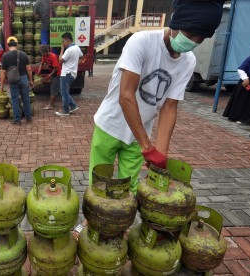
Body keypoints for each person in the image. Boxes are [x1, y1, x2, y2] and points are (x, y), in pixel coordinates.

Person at [90, 0, 225, 194]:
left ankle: (124, 223)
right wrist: (148, 148)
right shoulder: (141, 41)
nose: (193, 42)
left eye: (200, 39)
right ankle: (90, 220)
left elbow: (169, 107)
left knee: (128, 190)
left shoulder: (188, 61)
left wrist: (160, 154)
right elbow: (126, 95)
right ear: (175, 23)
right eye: (189, 35)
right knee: (99, 187)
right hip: (109, 125)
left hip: (140, 134)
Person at [0, 36, 33, 124]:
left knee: (15, 100)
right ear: (17, 44)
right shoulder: (23, 54)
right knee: (26, 98)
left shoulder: (5, 56)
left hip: (13, 79)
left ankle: (17, 120)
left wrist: (2, 85)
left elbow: (3, 72)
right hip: (23, 78)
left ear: (7, 45)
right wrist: (30, 80)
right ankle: (28, 117)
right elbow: (29, 69)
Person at [55, 32, 82, 116]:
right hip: (73, 73)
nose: (63, 43)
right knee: (64, 92)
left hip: (66, 74)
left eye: (63, 41)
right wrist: (75, 64)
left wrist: (62, 49)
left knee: (64, 93)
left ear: (67, 40)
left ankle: (65, 110)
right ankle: (73, 106)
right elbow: (81, 56)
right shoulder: (77, 47)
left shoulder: (69, 50)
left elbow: (59, 61)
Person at [38, 44, 61, 110]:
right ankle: (52, 103)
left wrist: (49, 76)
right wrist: (39, 70)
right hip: (52, 73)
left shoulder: (53, 56)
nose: (42, 54)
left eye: (43, 53)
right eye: (41, 53)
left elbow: (56, 68)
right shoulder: (44, 55)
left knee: (53, 89)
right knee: (53, 88)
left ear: (47, 51)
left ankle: (50, 105)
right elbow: (42, 63)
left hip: (57, 74)